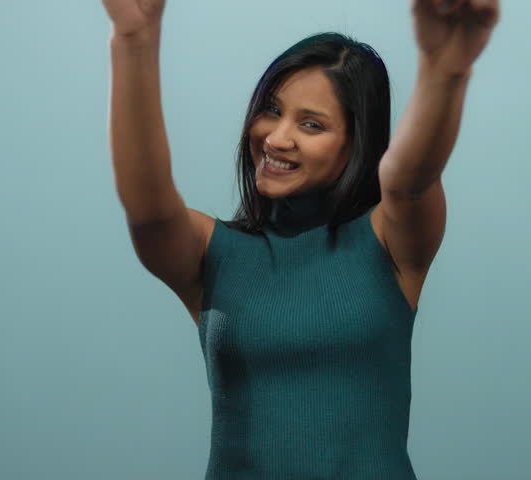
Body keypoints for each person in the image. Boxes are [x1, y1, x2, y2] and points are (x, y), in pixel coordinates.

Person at [103, 0, 499, 478]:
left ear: (356, 145)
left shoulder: (391, 241)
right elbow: (147, 204)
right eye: (272, 111)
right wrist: (134, 40)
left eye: (311, 124)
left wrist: (445, 70)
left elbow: (410, 176)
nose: (276, 138)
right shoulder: (213, 254)